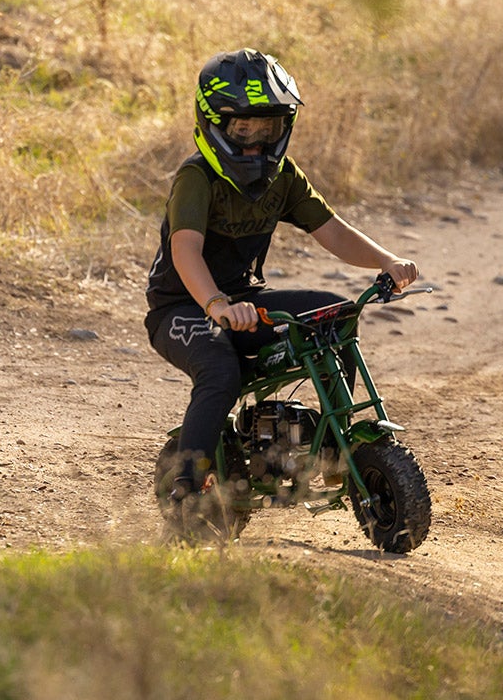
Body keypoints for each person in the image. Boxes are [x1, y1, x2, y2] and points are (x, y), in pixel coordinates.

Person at [145, 49, 421, 508]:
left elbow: (331, 229)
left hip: (245, 302)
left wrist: (387, 261)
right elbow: (185, 249)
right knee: (220, 372)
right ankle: (187, 484)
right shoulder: (196, 178)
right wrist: (216, 305)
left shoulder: (283, 177)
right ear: (215, 124)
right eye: (244, 128)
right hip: (182, 308)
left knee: (335, 315)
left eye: (268, 128)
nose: (256, 142)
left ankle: (334, 449)